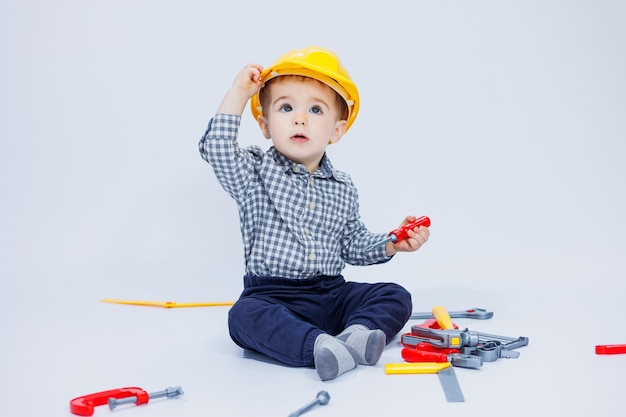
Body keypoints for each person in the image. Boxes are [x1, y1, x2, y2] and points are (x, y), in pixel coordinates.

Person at [199, 46, 430, 381]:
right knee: (243, 316)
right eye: (286, 107)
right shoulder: (253, 172)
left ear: (336, 131)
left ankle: (357, 335)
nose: (300, 118)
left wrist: (393, 242)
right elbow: (216, 149)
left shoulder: (343, 187)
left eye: (316, 109)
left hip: (331, 295)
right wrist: (238, 93)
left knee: (395, 295)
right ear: (265, 125)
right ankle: (318, 346)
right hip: (273, 295)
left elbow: (351, 244)